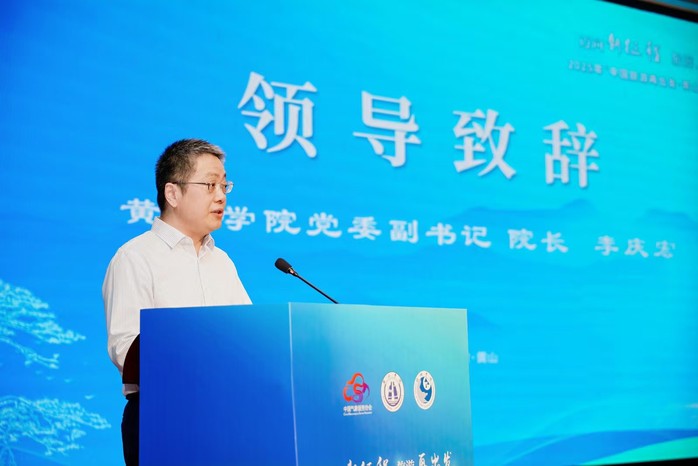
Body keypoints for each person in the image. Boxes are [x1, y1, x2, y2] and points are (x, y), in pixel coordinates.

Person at [102, 139, 251, 466]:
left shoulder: (222, 262)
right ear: (172, 193)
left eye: (224, 185)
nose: (221, 196)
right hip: (162, 414)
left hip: (224, 413)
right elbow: (125, 349)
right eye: (210, 184)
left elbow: (249, 337)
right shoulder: (135, 257)